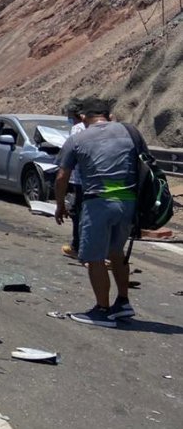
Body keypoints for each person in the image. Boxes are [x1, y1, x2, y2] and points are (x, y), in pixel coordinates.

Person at [52, 97, 146, 327]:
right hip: (129, 203)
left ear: (83, 118)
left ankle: (102, 311)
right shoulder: (130, 131)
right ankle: (123, 303)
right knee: (117, 253)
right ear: (109, 115)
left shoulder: (77, 138)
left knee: (94, 257)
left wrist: (60, 204)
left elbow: (61, 177)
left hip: (99, 203)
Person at [61, 99, 86, 259]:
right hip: (96, 179)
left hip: (80, 178)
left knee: (78, 213)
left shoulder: (77, 129)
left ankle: (77, 246)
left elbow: (72, 152)